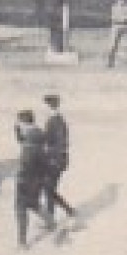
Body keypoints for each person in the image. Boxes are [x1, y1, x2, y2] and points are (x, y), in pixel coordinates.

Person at [13, 109, 56, 249]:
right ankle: (51, 221)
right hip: (39, 178)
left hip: (27, 179)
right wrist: (16, 130)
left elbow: (27, 162)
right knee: (33, 203)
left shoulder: (29, 143)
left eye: (19, 123)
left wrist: (20, 178)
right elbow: (21, 139)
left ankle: (22, 243)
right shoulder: (38, 134)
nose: (18, 126)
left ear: (24, 123)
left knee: (20, 208)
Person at [39, 93, 78, 222]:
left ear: (49, 107)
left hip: (55, 160)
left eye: (45, 106)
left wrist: (54, 160)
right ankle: (68, 210)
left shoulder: (56, 122)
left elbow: (61, 143)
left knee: (48, 189)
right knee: (49, 189)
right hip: (55, 159)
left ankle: (51, 219)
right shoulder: (56, 120)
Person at [107, 0, 127, 68]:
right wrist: (120, 19)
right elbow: (113, 17)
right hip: (116, 26)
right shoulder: (114, 7)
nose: (121, 1)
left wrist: (122, 19)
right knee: (113, 44)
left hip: (125, 26)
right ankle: (111, 61)